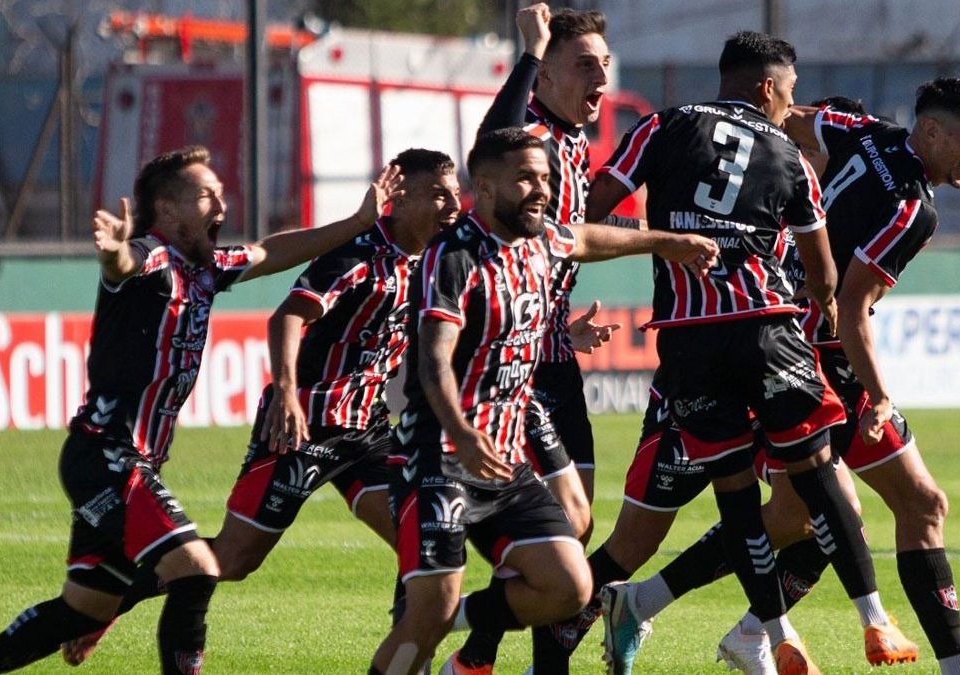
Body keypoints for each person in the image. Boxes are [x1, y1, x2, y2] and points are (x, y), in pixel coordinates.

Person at [0, 145, 402, 675]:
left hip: (125, 461)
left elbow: (268, 252)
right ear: (169, 211)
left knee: (84, 608)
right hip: (108, 456)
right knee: (196, 570)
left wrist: (359, 221)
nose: (222, 202)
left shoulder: (206, 269)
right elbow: (125, 263)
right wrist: (113, 252)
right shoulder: (154, 256)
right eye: (207, 195)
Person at [55, 148, 460, 666]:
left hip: (369, 431)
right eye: (439, 195)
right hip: (302, 428)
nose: (453, 205)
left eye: (454, 194)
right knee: (230, 559)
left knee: (418, 540)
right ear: (399, 200)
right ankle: (110, 605)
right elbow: (287, 317)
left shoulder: (437, 261)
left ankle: (408, 656)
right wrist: (288, 392)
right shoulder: (358, 254)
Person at [583, 32, 897, 674]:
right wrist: (825, 303)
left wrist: (654, 240)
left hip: (691, 342)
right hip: (753, 343)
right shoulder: (790, 158)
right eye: (790, 94)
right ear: (766, 88)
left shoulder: (662, 125)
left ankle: (764, 631)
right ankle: (583, 620)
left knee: (808, 503)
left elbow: (588, 212)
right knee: (636, 541)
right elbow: (825, 276)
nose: (793, 107)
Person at [368, 128, 717, 675]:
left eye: (546, 179)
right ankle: (433, 621)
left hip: (504, 463)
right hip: (438, 457)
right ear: (483, 188)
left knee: (570, 587)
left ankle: (448, 624)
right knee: (427, 613)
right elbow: (433, 360)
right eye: (525, 179)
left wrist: (664, 242)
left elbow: (586, 239)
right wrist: (460, 431)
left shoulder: (540, 240)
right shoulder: (452, 255)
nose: (540, 189)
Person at [775, 77, 960, 675]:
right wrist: (879, 393)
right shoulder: (911, 211)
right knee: (880, 509)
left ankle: (660, 604)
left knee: (818, 514)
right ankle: (647, 599)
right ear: (930, 130)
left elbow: (784, 114)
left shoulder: (860, 130)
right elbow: (850, 311)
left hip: (783, 336)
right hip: (815, 354)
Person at [446, 5, 630, 673]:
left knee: (575, 524)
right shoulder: (530, 137)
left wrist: (559, 324)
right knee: (559, 528)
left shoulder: (578, 145)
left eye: (606, 65)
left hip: (550, 354)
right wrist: (528, 48)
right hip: (502, 374)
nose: (601, 77)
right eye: (585, 65)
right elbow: (490, 141)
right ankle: (477, 649)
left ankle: (480, 650)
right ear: (546, 76)